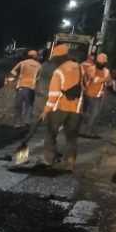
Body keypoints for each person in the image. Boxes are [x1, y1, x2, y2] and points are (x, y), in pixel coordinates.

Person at [39, 44, 84, 172]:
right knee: (71, 137)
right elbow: (83, 86)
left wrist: (46, 111)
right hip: (76, 109)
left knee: (51, 133)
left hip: (60, 108)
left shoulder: (58, 72)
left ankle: (49, 158)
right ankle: (70, 161)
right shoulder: (80, 68)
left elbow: (53, 95)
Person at [7, 49, 41, 127]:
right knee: (29, 105)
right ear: (35, 57)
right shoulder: (38, 65)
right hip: (31, 88)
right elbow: (38, 78)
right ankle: (27, 121)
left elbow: (13, 72)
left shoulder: (22, 63)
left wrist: (11, 82)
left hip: (21, 87)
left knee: (18, 105)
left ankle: (17, 123)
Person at [81, 52, 112, 137]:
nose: (101, 63)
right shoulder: (91, 69)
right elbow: (94, 79)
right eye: (100, 62)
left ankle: (89, 131)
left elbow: (109, 82)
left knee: (94, 114)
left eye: (103, 62)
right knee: (85, 113)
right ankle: (82, 130)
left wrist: (107, 81)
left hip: (98, 95)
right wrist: (105, 79)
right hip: (88, 94)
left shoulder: (106, 71)